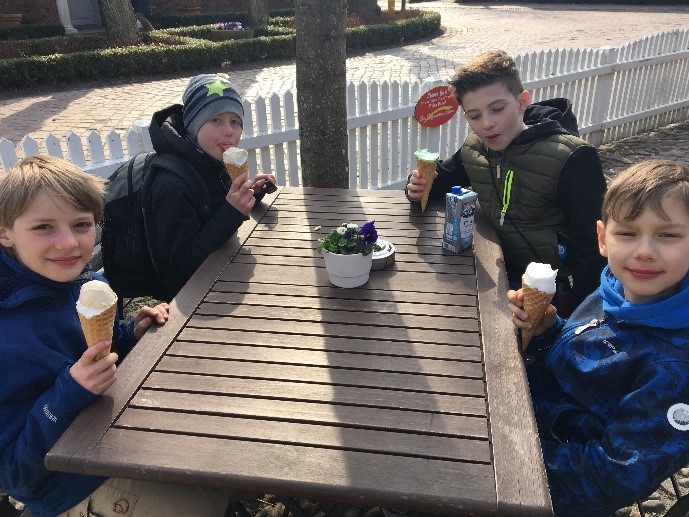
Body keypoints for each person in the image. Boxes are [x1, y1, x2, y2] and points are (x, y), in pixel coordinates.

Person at [0, 156, 230, 516]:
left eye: (81, 224)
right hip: (69, 485)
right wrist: (67, 393)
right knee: (200, 505)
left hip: (117, 434)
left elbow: (102, 351)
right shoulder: (8, 338)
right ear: (5, 232)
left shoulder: (86, 283)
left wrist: (130, 335)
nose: (68, 243)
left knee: (218, 461)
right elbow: (16, 475)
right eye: (44, 227)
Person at [507, 159, 689, 516]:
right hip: (524, 413)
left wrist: (511, 449)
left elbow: (613, 477)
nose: (644, 251)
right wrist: (548, 331)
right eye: (628, 233)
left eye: (668, 235)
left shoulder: (674, 368)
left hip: (545, 479)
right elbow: (589, 354)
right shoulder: (614, 290)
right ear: (603, 239)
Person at [406, 50, 606, 316]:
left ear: (522, 102)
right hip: (491, 272)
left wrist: (578, 319)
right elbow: (439, 182)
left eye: (497, 109)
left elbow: (593, 249)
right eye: (475, 116)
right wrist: (415, 187)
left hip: (552, 290)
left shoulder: (573, 158)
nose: (487, 124)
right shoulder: (475, 149)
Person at [144, 72, 276, 301]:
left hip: (221, 273)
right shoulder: (172, 184)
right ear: (193, 126)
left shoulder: (209, 159)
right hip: (188, 299)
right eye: (216, 119)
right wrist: (232, 212)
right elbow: (179, 266)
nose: (229, 131)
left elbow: (213, 211)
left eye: (235, 121)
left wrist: (251, 194)